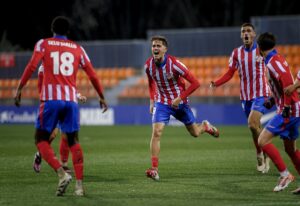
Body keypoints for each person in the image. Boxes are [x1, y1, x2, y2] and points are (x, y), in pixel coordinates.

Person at [14, 16, 108, 196]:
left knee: (41, 140)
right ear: (69, 31)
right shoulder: (78, 48)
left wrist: (19, 88)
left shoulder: (44, 44)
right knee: (73, 141)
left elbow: (32, 65)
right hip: (71, 102)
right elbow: (93, 75)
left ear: (52, 29)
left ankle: (61, 173)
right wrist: (102, 96)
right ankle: (79, 187)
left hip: (51, 100)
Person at [144, 35, 219, 181]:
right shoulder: (148, 65)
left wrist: (179, 98)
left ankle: (205, 126)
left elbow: (196, 83)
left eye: (158, 46)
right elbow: (151, 82)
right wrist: (152, 101)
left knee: (195, 133)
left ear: (165, 49)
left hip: (180, 103)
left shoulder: (175, 64)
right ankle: (154, 169)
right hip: (162, 103)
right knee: (156, 132)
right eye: (153, 46)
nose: (155, 48)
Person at [210, 23, 271, 173]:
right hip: (245, 96)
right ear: (240, 35)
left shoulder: (261, 49)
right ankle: (263, 152)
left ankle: (262, 153)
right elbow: (230, 73)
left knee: (252, 124)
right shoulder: (236, 53)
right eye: (243, 31)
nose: (246, 33)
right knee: (254, 128)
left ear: (254, 34)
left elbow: (272, 67)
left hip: (261, 93)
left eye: (249, 31)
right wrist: (216, 83)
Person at [257, 32, 300, 193]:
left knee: (262, 141)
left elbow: (288, 84)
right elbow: (283, 87)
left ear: (259, 49)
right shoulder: (276, 59)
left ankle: (285, 175)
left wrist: (287, 107)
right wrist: (272, 101)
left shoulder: (272, 63)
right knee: (290, 149)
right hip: (293, 108)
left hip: (289, 111)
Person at [32, 65, 87, 174]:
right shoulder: (43, 68)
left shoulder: (61, 65)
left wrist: (78, 95)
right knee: (52, 135)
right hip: (52, 103)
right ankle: (39, 154)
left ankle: (64, 165)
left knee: (66, 135)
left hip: (65, 102)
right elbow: (41, 88)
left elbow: (68, 84)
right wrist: (45, 101)